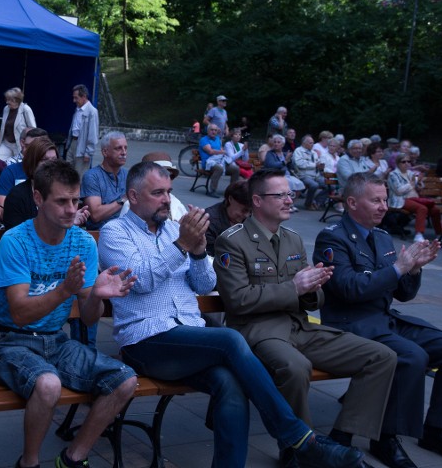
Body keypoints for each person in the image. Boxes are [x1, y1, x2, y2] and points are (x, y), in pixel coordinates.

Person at [99, 162, 368, 468]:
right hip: (146, 342)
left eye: (169, 192)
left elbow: (205, 284)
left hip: (190, 339)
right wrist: (182, 245)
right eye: (157, 193)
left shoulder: (176, 229)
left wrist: (199, 252)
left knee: (230, 383)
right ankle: (300, 439)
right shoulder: (114, 232)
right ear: (133, 196)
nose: (166, 199)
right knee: (230, 339)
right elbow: (142, 282)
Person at [214, 168, 397, 467]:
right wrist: (294, 287)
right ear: (258, 201)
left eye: (290, 194)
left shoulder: (293, 239)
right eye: (281, 195)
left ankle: (339, 442)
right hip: (258, 331)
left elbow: (312, 299)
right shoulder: (232, 241)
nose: (289, 200)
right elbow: (238, 301)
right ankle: (296, 447)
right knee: (295, 367)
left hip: (299, 327)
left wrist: (313, 287)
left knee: (382, 357)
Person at [0, 159, 138, 468]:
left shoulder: (82, 242)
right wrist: (64, 291)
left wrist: (97, 295)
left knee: (124, 379)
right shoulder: (15, 241)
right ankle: (29, 463)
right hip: (12, 343)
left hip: (56, 342)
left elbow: (89, 319)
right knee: (49, 384)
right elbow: (19, 315)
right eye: (62, 201)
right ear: (39, 199)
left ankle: (72, 458)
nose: (71, 209)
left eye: (76, 201)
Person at [314, 173, 442, 468]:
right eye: (375, 200)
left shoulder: (382, 236)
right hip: (351, 324)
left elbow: (403, 294)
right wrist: (399, 268)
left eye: (385, 199)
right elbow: (349, 289)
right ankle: (386, 439)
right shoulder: (333, 238)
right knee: (412, 356)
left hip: (384, 319)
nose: (384, 206)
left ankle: (435, 430)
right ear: (352, 203)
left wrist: (413, 269)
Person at [4, 137, 89, 230]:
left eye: (54, 160)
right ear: (32, 162)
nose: (51, 164)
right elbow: (16, 236)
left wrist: (68, 219)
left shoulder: (64, 192)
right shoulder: (17, 195)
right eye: (45, 160)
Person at [388, 154, 442, 243]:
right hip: (400, 199)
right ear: (398, 163)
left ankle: (439, 234)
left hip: (415, 198)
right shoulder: (393, 174)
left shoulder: (411, 174)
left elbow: (419, 188)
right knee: (422, 208)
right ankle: (418, 234)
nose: (407, 163)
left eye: (408, 161)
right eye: (404, 162)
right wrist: (411, 183)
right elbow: (398, 191)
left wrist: (419, 183)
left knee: (435, 210)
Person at [82, 131, 128, 230]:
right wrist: (123, 200)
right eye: (118, 148)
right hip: (102, 233)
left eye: (125, 148)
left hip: (128, 230)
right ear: (105, 152)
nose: (124, 152)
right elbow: (95, 215)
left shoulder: (127, 174)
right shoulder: (92, 176)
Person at [0, 127, 47, 203]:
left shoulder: (56, 173)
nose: (25, 149)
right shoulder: (10, 171)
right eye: (25, 145)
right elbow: (3, 206)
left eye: (32, 146)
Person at [204, 179, 250, 256]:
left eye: (250, 211)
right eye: (244, 210)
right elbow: (210, 255)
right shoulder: (209, 221)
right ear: (230, 199)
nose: (247, 215)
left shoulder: (251, 218)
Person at [263, 134, 305, 212]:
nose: (276, 144)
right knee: (289, 184)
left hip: (286, 174)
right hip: (275, 175)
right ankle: (285, 205)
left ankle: (291, 204)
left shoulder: (285, 153)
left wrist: (290, 159)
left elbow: (291, 166)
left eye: (278, 142)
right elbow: (271, 165)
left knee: (300, 184)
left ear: (282, 144)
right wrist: (284, 161)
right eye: (275, 142)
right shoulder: (270, 153)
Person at [200, 124, 241, 199]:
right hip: (208, 163)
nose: (213, 132)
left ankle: (232, 191)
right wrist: (221, 152)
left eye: (215, 130)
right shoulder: (204, 140)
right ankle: (212, 190)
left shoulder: (217, 139)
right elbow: (210, 151)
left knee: (236, 169)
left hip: (220, 161)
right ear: (208, 131)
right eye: (211, 130)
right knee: (219, 168)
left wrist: (221, 152)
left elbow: (221, 149)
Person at [0, 87, 37, 162]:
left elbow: (33, 129)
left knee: (19, 165)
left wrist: (28, 144)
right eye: (7, 99)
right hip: (6, 143)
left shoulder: (26, 109)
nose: (7, 102)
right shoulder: (6, 109)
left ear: (17, 100)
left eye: (10, 100)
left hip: (19, 145)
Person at [67, 84, 99, 176]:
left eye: (76, 98)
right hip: (73, 143)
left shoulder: (92, 112)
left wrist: (88, 153)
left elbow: (93, 134)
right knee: (67, 171)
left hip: (83, 146)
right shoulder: (77, 109)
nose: (74, 100)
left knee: (79, 175)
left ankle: (78, 190)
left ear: (84, 96)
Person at [292, 134, 326, 210]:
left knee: (331, 184)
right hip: (303, 175)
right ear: (304, 143)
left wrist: (321, 166)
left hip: (316, 175)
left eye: (313, 142)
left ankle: (317, 202)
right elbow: (299, 164)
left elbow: (317, 162)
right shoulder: (298, 151)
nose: (313, 144)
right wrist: (315, 165)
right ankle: (308, 204)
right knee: (314, 185)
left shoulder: (314, 153)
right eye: (311, 143)